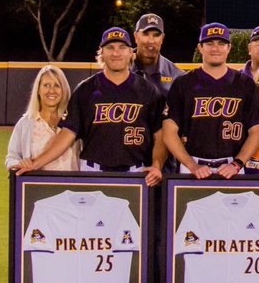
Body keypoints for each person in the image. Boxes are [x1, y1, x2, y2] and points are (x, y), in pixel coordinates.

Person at [17, 27, 166, 184]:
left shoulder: (148, 90)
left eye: (122, 47)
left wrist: (157, 165)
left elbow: (160, 135)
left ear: (131, 53)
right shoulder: (85, 90)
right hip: (92, 171)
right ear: (102, 53)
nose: (116, 53)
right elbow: (67, 133)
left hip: (136, 173)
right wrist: (35, 163)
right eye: (110, 47)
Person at [161, 23, 259, 178]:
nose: (215, 48)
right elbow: (169, 131)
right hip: (192, 166)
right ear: (200, 48)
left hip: (232, 167)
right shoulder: (183, 83)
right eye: (209, 43)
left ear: (229, 48)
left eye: (221, 43)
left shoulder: (245, 84)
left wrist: (237, 164)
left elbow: (256, 131)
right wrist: (192, 165)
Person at [4, 64, 78, 171]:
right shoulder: (25, 124)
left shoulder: (75, 121)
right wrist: (20, 164)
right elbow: (12, 157)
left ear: (64, 90)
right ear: (38, 89)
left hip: (72, 182)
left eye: (57, 85)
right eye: (46, 85)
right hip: (38, 182)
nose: (51, 90)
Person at [132, 13, 184, 96]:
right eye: (145, 34)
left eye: (156, 35)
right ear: (136, 36)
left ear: (162, 38)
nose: (151, 41)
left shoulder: (177, 76)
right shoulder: (119, 67)